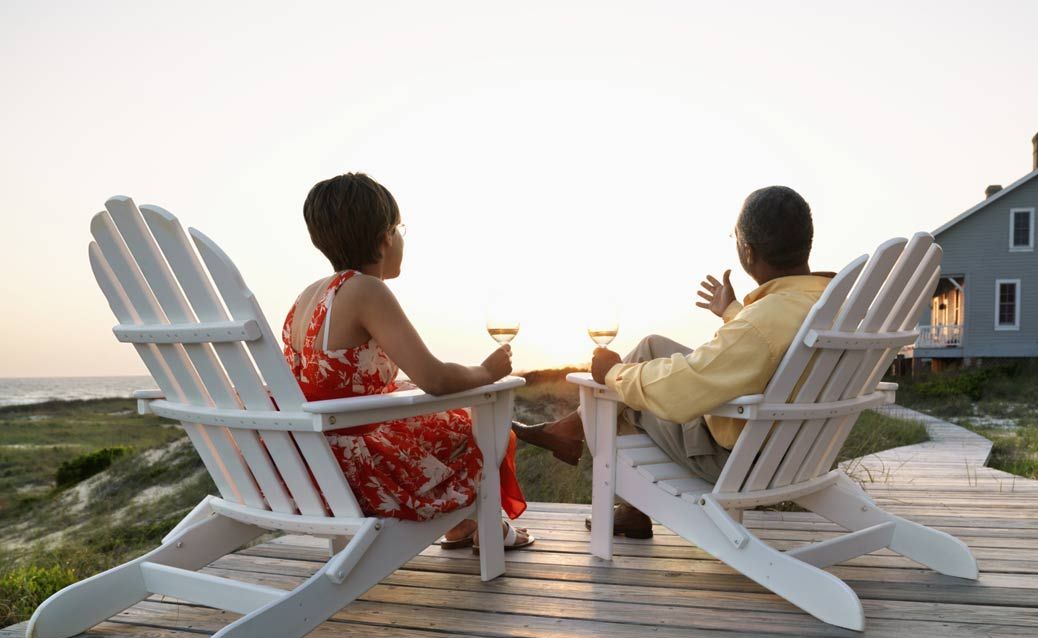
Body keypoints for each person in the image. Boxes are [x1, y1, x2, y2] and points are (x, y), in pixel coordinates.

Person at [516, 186, 833, 538]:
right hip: (796, 448)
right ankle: (577, 438)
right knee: (652, 347)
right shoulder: (825, 301)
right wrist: (732, 313)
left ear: (747, 250)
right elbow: (774, 347)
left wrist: (613, 373)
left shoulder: (761, 322)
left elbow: (681, 389)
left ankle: (585, 448)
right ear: (806, 240)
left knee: (620, 394)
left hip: (738, 460)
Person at [283, 172, 533, 551]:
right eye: (400, 229)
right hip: (354, 469)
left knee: (440, 419)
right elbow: (434, 377)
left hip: (308, 459)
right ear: (385, 237)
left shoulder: (309, 295)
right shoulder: (366, 290)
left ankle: (462, 526)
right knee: (474, 422)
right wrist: (487, 371)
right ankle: (488, 529)